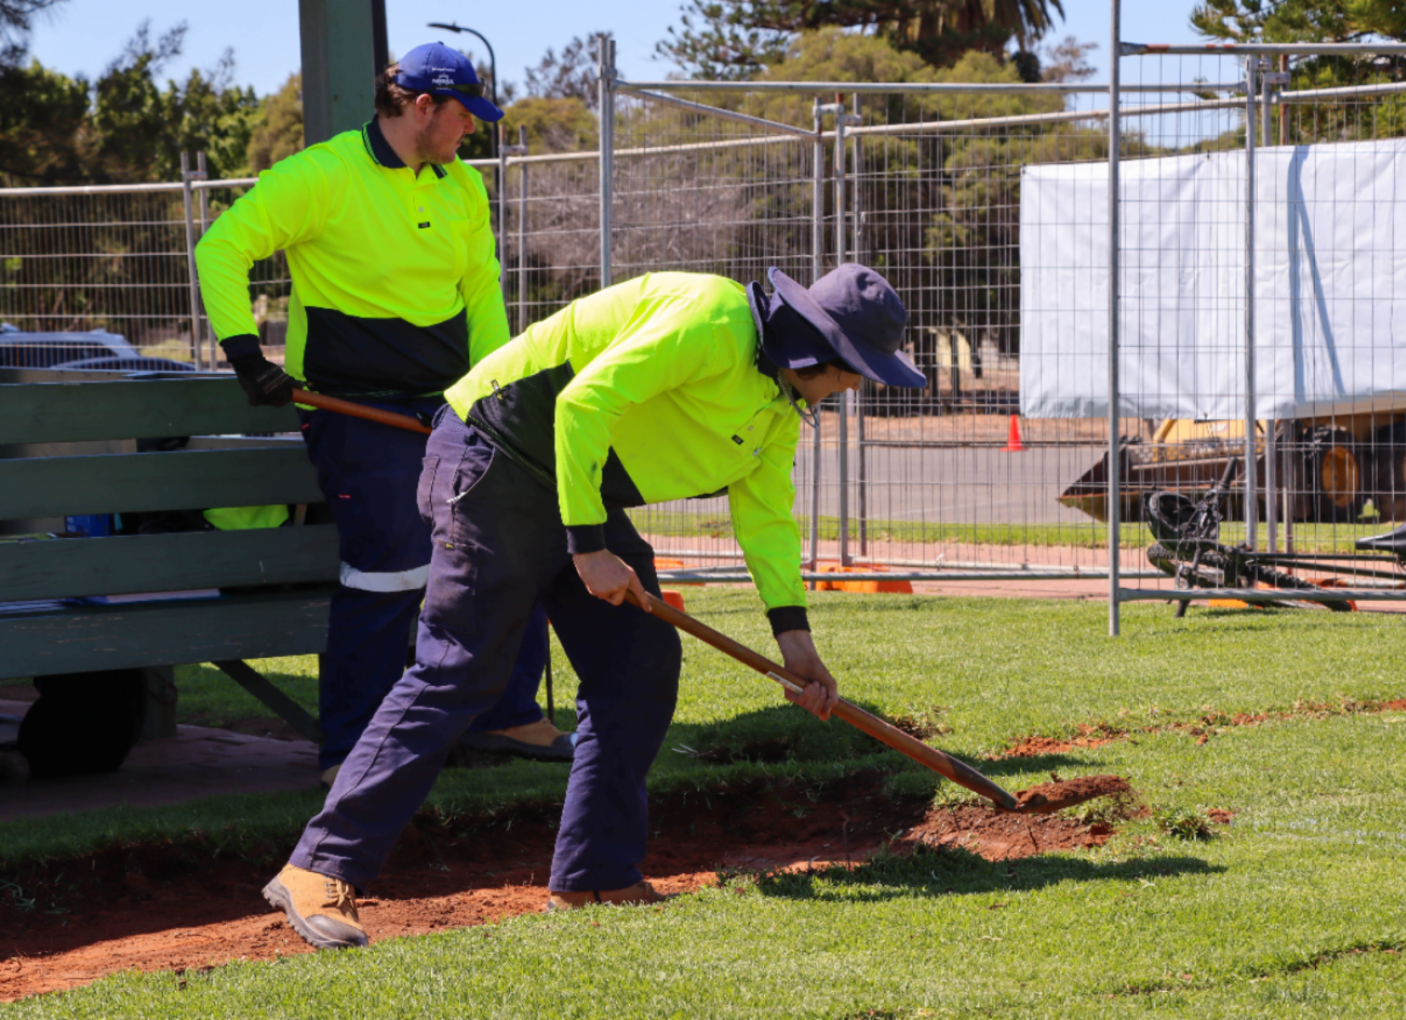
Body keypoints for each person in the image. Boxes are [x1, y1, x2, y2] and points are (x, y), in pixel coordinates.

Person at [259, 262, 927, 949]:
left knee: (637, 667)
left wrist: (794, 638)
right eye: (852, 367)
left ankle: (594, 877)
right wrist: (587, 547)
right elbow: (583, 403)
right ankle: (319, 867)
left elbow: (765, 515)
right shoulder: (711, 318)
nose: (853, 385)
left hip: (579, 486)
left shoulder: (781, 401)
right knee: (461, 668)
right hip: (497, 453)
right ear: (815, 344)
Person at [195, 42, 574, 784]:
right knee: (390, 568)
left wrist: (498, 392)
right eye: (464, 114)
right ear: (422, 106)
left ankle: (503, 715)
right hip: (353, 411)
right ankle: (349, 750)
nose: (472, 130)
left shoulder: (462, 187)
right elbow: (222, 247)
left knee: (512, 538)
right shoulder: (321, 174)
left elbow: (481, 297)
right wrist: (245, 355)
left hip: (449, 406)